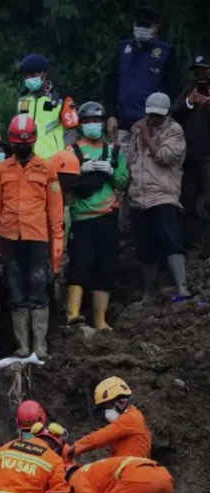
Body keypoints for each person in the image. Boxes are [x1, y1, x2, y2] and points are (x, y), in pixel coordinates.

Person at [0, 115, 64, 360]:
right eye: (18, 143)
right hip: (9, 237)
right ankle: (22, 346)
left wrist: (57, 240)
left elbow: (55, 208)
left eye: (26, 143)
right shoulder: (1, 170)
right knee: (16, 290)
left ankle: (39, 345)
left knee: (39, 290)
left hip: (37, 236)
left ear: (33, 141)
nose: (22, 147)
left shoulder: (47, 169)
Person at [65, 102, 130, 330]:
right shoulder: (71, 151)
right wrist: (80, 170)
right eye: (87, 121)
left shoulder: (114, 151)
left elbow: (123, 181)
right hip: (81, 217)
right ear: (81, 125)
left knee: (106, 266)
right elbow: (61, 178)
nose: (92, 125)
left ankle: (100, 320)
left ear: (102, 123)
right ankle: (72, 315)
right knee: (79, 265)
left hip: (107, 215)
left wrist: (111, 171)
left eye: (96, 121)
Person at [128, 92, 190, 303]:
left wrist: (147, 138)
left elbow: (165, 157)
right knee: (145, 248)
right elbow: (130, 159)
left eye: (158, 114)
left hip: (164, 195)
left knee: (172, 241)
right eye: (152, 114)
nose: (154, 118)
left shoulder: (174, 131)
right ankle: (149, 293)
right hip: (139, 197)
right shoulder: (137, 129)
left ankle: (182, 287)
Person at [105, 7, 180, 151]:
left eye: (146, 25)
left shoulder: (166, 53)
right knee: (120, 163)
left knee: (148, 164)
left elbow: (174, 91)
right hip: (122, 125)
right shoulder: (122, 49)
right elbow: (111, 86)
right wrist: (110, 115)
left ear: (156, 27)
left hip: (151, 126)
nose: (141, 28)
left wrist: (159, 120)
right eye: (139, 24)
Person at [173, 53, 210, 255]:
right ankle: (194, 244)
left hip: (208, 156)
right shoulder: (188, 90)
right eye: (197, 70)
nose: (201, 74)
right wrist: (189, 102)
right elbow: (173, 116)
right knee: (187, 200)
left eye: (204, 69)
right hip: (189, 154)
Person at [67, 376, 151, 459]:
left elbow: (99, 438)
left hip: (127, 466)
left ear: (120, 402)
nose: (107, 410)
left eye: (107, 405)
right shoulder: (135, 416)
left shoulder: (129, 419)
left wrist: (74, 448)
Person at [15, 53, 79, 159]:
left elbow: (71, 133)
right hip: (28, 160)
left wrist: (67, 157)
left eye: (33, 74)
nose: (29, 78)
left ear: (44, 73)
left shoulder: (62, 99)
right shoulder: (22, 101)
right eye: (26, 75)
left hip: (54, 161)